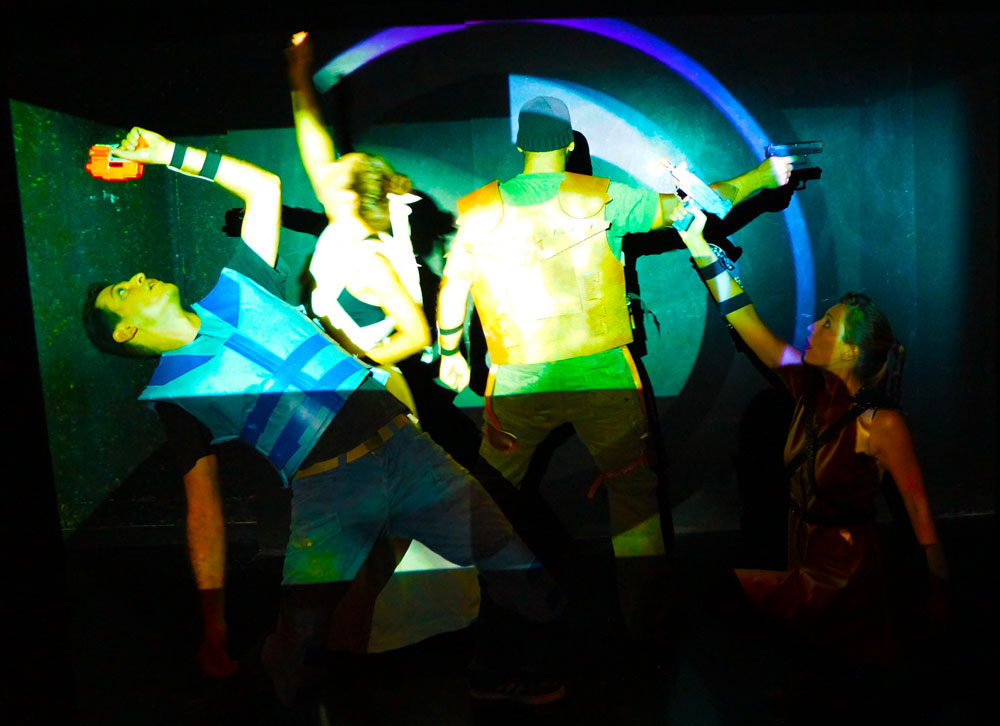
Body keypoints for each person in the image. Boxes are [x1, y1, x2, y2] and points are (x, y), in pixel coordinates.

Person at [81, 127, 564, 708]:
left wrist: (167, 154)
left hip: (409, 454)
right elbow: (203, 509)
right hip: (329, 493)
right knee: (299, 637)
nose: (138, 279)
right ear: (126, 332)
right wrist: (212, 617)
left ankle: (494, 671)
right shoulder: (174, 394)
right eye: (124, 292)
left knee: (516, 569)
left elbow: (263, 187)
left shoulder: (239, 284)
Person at [436, 95, 793, 641]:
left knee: (488, 498)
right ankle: (646, 628)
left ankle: (483, 621)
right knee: (632, 498)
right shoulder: (605, 198)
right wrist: (763, 177)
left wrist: (451, 351)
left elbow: (452, 289)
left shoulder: (477, 210)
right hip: (602, 374)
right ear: (568, 144)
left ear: (519, 143)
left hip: (517, 380)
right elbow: (701, 204)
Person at [671, 203, 949, 663]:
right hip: (800, 556)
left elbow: (917, 506)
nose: (812, 326)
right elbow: (745, 319)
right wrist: (699, 246)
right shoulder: (803, 385)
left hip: (844, 573)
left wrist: (939, 586)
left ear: (851, 351)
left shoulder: (881, 424)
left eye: (828, 324)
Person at [285, 31, 477, 656]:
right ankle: (359, 643)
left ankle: (363, 648)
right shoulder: (342, 225)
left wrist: (354, 364)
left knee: (376, 534)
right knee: (361, 533)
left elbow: (415, 334)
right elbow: (315, 146)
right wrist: (299, 79)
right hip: (349, 398)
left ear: (348, 196)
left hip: (380, 397)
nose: (323, 172)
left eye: (334, 175)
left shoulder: (369, 257)